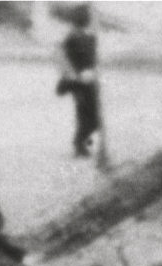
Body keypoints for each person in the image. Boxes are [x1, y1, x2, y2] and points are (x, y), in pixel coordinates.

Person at [57, 4, 101, 158]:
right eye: (90, 16)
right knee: (84, 116)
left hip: (90, 82)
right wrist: (75, 75)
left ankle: (80, 143)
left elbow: (93, 60)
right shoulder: (72, 37)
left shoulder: (91, 37)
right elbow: (61, 57)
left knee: (95, 119)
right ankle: (79, 145)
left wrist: (94, 74)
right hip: (78, 83)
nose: (92, 19)